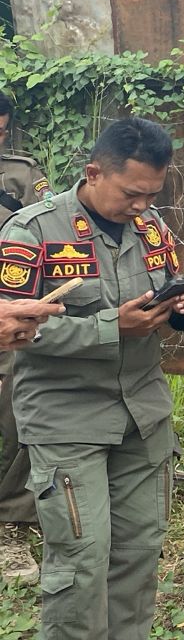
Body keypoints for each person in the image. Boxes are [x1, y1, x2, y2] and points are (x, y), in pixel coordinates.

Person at [0, 117, 184, 640]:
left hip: (142, 413)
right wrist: (114, 328)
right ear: (94, 173)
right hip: (68, 421)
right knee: (82, 564)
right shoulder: (31, 232)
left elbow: (161, 294)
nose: (141, 207)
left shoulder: (152, 226)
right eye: (131, 193)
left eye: (152, 195)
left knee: (139, 552)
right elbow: (16, 332)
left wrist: (182, 305)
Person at [0, 93, 56, 529]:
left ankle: (14, 517)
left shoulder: (21, 173)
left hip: (7, 303)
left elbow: (47, 230)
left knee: (13, 411)